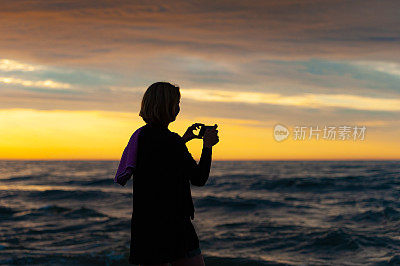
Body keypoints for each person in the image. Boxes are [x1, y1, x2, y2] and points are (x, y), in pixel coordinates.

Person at [128, 82, 219, 266]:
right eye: (177, 103)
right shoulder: (172, 142)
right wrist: (207, 147)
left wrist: (184, 139)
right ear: (167, 106)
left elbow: (162, 162)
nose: (179, 108)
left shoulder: (140, 137)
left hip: (145, 224)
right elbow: (199, 178)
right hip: (174, 225)